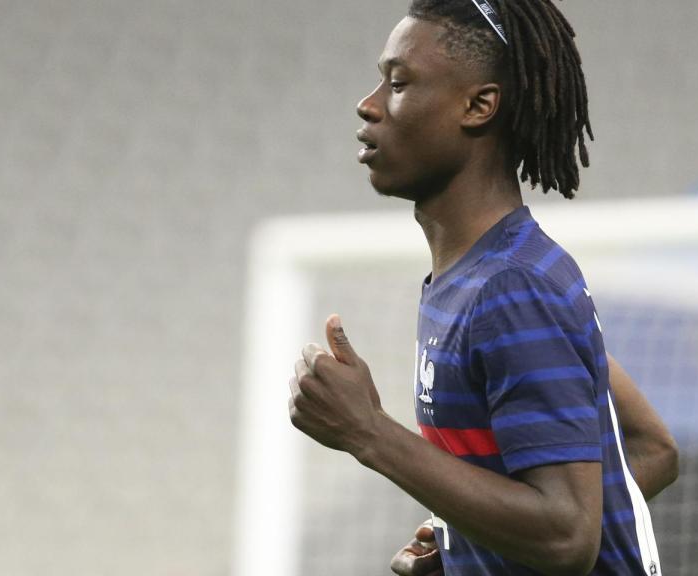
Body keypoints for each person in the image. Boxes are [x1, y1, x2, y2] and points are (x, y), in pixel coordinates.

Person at [287, 1, 677, 574]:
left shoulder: (513, 289)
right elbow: (647, 448)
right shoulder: (473, 279)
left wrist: (367, 432)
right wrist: (469, 541)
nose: (369, 106)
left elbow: (567, 535)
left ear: (478, 106)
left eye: (398, 83)